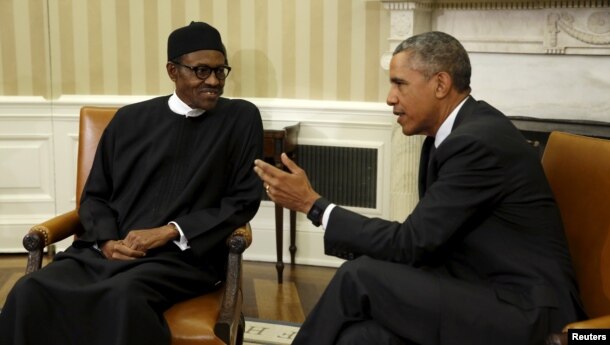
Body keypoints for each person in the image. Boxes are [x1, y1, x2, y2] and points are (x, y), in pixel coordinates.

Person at [253, 31, 585, 345]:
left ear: (440, 83)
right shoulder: (447, 136)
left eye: (399, 84)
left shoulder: (478, 142)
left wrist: (314, 205)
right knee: (360, 338)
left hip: (527, 312)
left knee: (359, 276)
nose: (389, 98)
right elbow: (424, 241)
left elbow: (411, 243)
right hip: (476, 289)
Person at [0, 21, 263, 345]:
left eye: (220, 71)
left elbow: (243, 200)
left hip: (181, 257)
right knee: (29, 289)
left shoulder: (240, 118)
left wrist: (169, 230)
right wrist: (108, 241)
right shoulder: (129, 120)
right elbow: (95, 196)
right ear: (172, 70)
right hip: (109, 249)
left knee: (121, 297)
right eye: (201, 71)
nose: (213, 81)